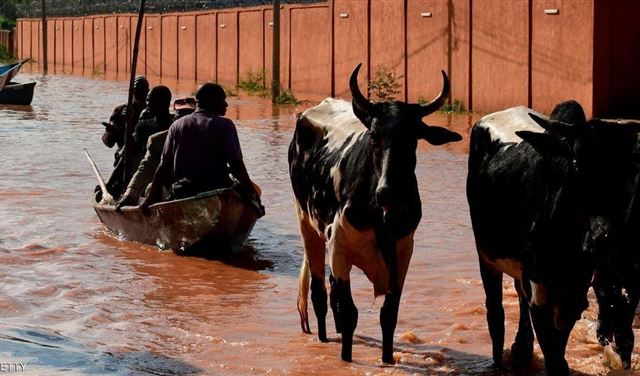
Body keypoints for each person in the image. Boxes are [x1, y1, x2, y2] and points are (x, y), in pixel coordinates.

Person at [141, 82, 260, 208]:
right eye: (222, 100)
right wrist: (252, 192)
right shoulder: (225, 125)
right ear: (211, 101)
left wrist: (148, 200)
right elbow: (236, 165)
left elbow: (163, 167)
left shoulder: (176, 125)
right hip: (217, 192)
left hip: (184, 193)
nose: (226, 104)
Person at [115, 97, 197, 210]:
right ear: (174, 118)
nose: (184, 122)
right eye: (180, 116)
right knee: (151, 188)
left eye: (188, 116)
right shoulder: (158, 140)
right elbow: (145, 168)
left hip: (200, 188)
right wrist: (130, 193)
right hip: (172, 190)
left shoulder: (206, 135)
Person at [101, 76, 149, 166]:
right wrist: (112, 132)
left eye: (143, 90)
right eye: (137, 90)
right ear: (132, 91)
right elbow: (108, 142)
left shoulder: (153, 111)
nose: (141, 93)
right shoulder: (120, 111)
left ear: (148, 91)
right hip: (123, 155)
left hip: (146, 156)